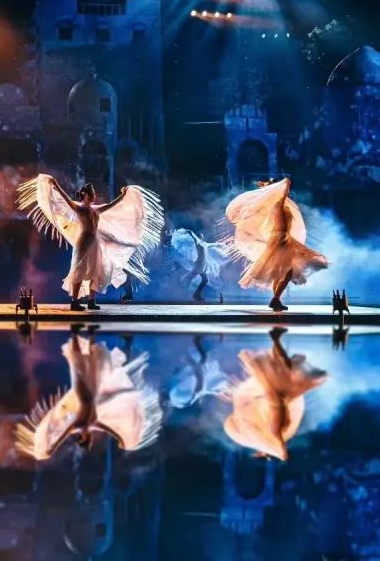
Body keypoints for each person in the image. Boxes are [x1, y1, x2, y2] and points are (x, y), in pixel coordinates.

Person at [14, 324, 162, 459]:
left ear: (83, 438)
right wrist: (123, 441)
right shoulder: (94, 423)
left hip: (81, 394)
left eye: (88, 440)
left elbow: (61, 436)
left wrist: (51, 449)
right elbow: (111, 430)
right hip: (92, 392)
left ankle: (75, 333)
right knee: (93, 365)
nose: (91, 438)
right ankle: (91, 334)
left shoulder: (77, 426)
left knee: (78, 365)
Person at [17, 174, 163, 310]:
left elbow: (112, 205)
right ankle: (74, 302)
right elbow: (65, 199)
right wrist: (55, 184)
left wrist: (123, 195)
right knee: (79, 271)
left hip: (94, 244)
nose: (94, 195)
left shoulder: (95, 209)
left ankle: (91, 301)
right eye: (92, 193)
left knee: (95, 271)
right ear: (85, 195)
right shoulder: (79, 208)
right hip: (83, 243)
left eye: (94, 193)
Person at [223, 327, 327, 461]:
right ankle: (276, 339)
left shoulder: (268, 433)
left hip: (270, 403)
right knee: (282, 372)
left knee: (281, 372)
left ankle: (276, 339)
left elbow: (274, 403)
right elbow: (276, 403)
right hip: (273, 402)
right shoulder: (278, 431)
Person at [225, 177, 328, 312]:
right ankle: (275, 299)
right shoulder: (278, 203)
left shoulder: (279, 204)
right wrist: (283, 183)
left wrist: (268, 186)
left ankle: (276, 300)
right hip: (281, 239)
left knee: (279, 273)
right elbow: (283, 188)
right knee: (288, 272)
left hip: (283, 238)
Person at [168, 335, 229, 409]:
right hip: (216, 354)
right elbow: (198, 376)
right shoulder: (215, 387)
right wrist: (191, 362)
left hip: (205, 348)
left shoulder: (173, 380)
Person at [169, 228, 229, 302]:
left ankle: (195, 294)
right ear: (199, 237)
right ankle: (187, 290)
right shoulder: (198, 244)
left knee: (203, 280)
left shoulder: (204, 244)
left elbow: (211, 245)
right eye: (200, 236)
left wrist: (219, 244)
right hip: (199, 265)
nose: (202, 237)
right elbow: (195, 239)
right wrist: (190, 233)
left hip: (202, 265)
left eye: (202, 236)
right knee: (193, 277)